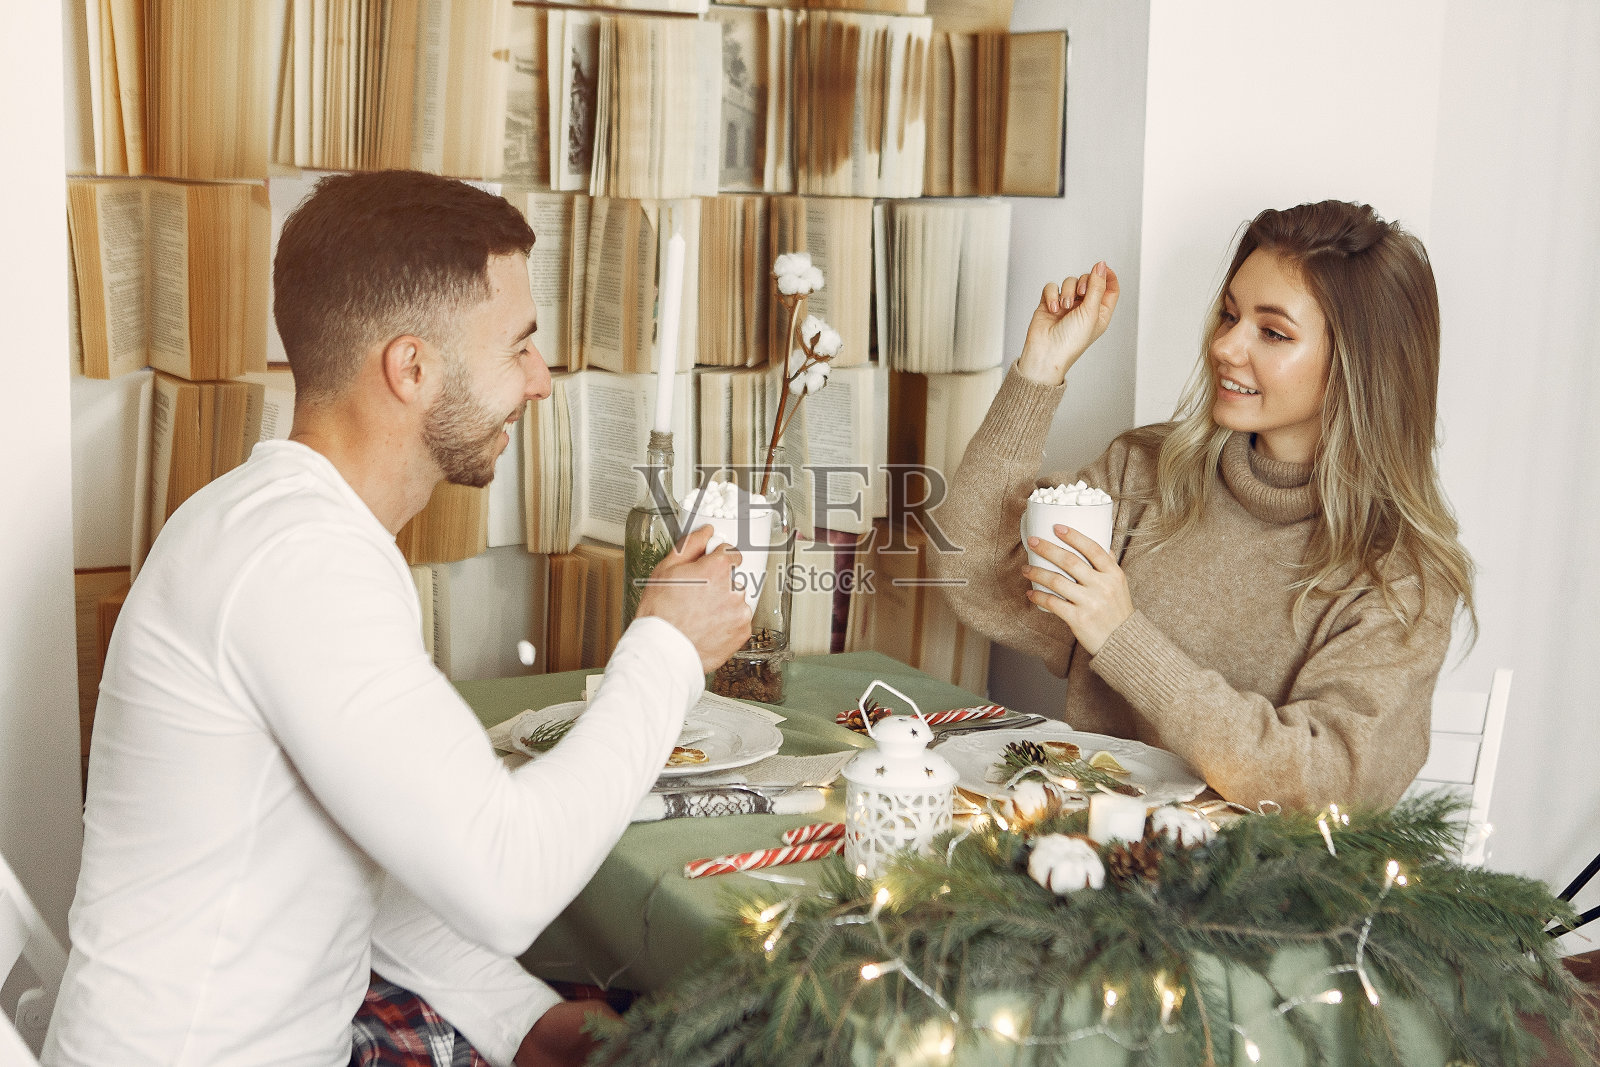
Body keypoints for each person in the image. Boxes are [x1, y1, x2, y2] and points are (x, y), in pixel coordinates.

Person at [44, 170, 752, 1067]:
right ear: (411, 368)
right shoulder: (302, 567)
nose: (540, 382)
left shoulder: (281, 525)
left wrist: (518, 1016)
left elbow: (371, 858)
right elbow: (505, 879)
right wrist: (668, 648)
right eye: (519, 347)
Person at [932, 200, 1475, 810]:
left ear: (1359, 366)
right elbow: (974, 571)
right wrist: (1039, 370)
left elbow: (1328, 781)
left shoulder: (1400, 572)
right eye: (1229, 315)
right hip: (1085, 864)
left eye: (1272, 332)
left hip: (1260, 894)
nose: (1225, 346)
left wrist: (1122, 637)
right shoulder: (1144, 474)